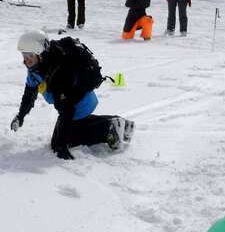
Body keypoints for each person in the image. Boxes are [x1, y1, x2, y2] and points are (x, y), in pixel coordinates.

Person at [10, 29, 133, 158]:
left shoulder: (58, 74)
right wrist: (21, 115)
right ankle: (122, 125)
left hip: (78, 104)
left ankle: (108, 128)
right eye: (24, 54)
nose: (26, 59)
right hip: (72, 102)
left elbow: (67, 111)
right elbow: (30, 91)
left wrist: (62, 147)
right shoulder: (38, 66)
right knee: (70, 129)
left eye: (30, 55)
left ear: (41, 53)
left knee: (61, 141)